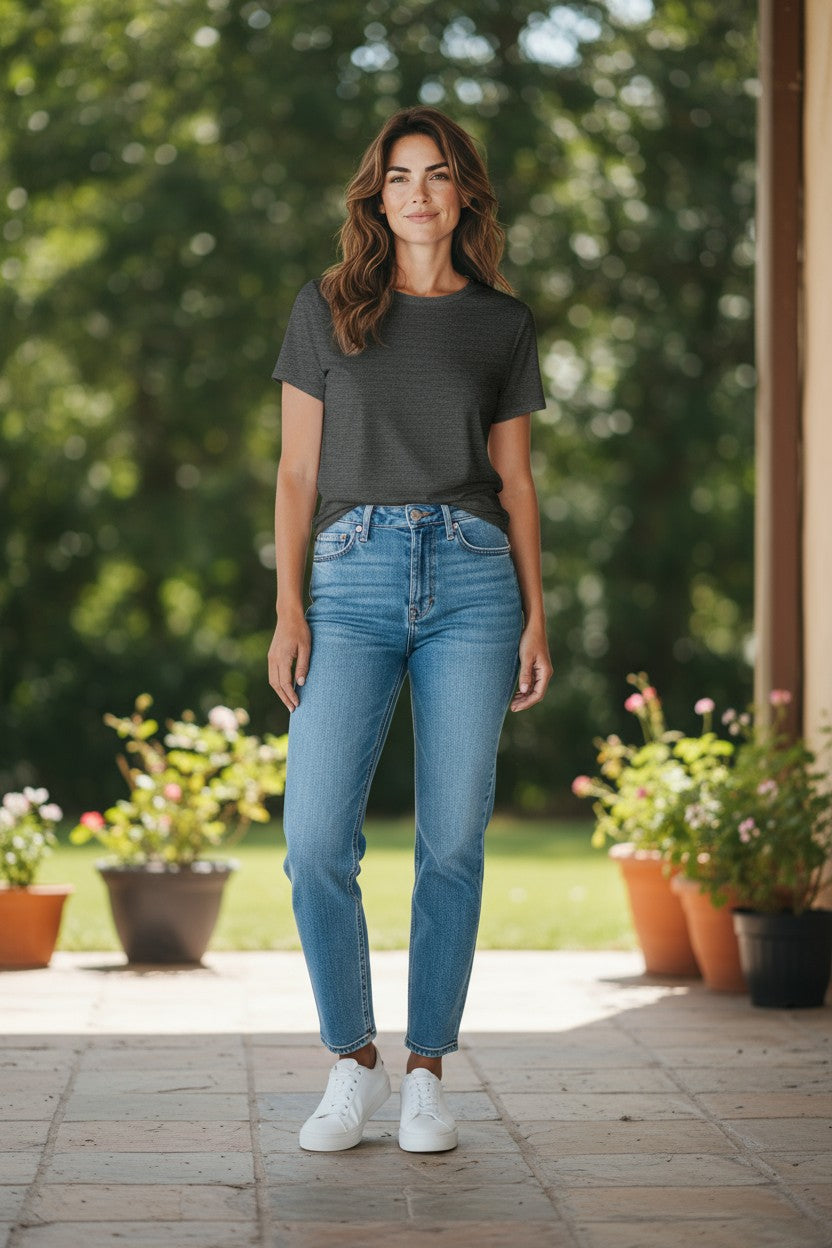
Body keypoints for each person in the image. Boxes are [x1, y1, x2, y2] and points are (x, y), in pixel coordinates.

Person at [267, 105, 553, 1154]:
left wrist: (534, 614)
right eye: (399, 176)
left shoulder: (501, 324)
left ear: (462, 194)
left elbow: (517, 479)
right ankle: (353, 1062)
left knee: (454, 841)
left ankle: (427, 1069)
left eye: (436, 175)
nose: (418, 192)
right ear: (375, 196)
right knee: (310, 846)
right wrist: (288, 606)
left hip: (476, 583)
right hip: (349, 578)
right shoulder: (327, 308)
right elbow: (298, 471)